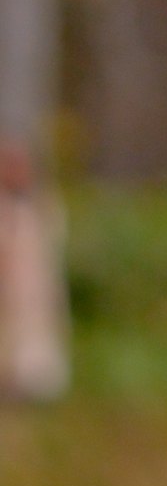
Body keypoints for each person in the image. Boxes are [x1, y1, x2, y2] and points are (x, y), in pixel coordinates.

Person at [0, 139, 69, 403]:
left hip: (33, 288)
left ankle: (34, 386)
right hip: (9, 288)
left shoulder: (41, 206)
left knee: (33, 338)